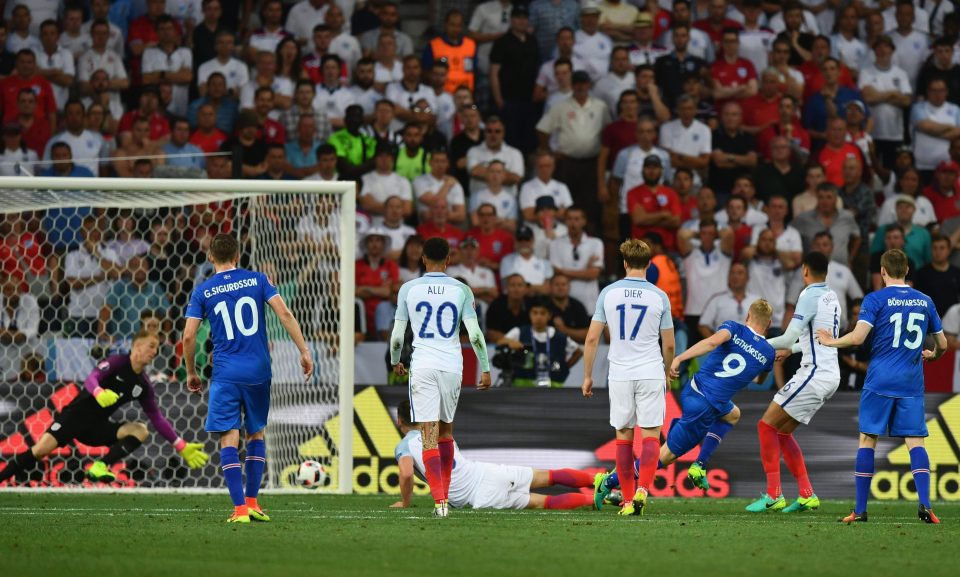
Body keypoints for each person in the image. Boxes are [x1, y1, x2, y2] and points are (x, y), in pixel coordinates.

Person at [183, 233, 313, 523]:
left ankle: (240, 509)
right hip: (258, 371)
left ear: (211, 257)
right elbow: (285, 313)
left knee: (229, 436)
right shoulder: (258, 280)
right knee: (256, 433)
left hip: (226, 374)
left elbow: (189, 335)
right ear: (238, 256)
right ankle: (254, 502)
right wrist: (304, 351)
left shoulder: (203, 291)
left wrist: (191, 371)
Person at [595, 299, 775, 505]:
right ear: (769, 325)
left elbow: (711, 343)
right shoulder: (768, 353)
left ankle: (699, 463)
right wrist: (762, 362)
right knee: (665, 456)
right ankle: (608, 482)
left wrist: (680, 358)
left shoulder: (734, 328)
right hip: (706, 406)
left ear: (747, 317)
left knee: (733, 414)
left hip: (695, 389)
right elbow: (759, 380)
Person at [818, 249, 948, 525]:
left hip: (879, 379)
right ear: (907, 271)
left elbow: (858, 337)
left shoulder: (875, 299)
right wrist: (932, 355)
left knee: (868, 440)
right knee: (916, 442)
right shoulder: (925, 301)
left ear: (883, 272)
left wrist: (831, 342)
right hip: (911, 383)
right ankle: (925, 506)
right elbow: (943, 345)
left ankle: (861, 510)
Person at [0, 330, 208, 485]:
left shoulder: (143, 385)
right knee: (40, 450)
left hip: (97, 428)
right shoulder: (117, 362)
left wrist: (180, 444)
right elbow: (92, 378)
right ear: (137, 346)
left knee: (140, 430)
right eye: (151, 346)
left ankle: (101, 465)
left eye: (157, 347)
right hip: (74, 417)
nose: (155, 351)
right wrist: (98, 392)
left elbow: (157, 418)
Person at [389, 237, 492, 518]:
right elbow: (475, 335)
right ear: (449, 260)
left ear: (422, 259)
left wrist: (396, 360)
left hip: (422, 365)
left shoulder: (408, 288)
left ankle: (440, 503)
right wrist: (485, 367)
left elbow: (398, 335)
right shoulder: (461, 289)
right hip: (451, 366)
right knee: (446, 432)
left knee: (428, 437)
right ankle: (444, 496)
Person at [582, 238, 674, 516]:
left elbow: (591, 339)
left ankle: (626, 499)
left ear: (624, 263)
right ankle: (643, 490)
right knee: (650, 435)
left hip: (620, 373)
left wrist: (587, 376)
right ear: (648, 264)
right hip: (650, 371)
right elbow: (668, 344)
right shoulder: (659, 296)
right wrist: (667, 371)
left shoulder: (608, 293)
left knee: (623, 436)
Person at [752, 251, 841, 513]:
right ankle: (806, 494)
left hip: (814, 373)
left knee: (765, 425)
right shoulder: (831, 296)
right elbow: (818, 337)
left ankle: (773, 495)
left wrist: (756, 344)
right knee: (781, 432)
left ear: (804, 271)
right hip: (829, 372)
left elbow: (789, 334)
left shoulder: (808, 294)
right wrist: (791, 349)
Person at [392, 400, 594, 510]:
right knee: (551, 476)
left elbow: (407, 473)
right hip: (488, 471)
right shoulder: (438, 431)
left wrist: (405, 502)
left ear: (399, 421)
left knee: (544, 502)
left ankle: (595, 499)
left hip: (479, 496)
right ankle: (605, 481)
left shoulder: (404, 446)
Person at [497, 297, 582, 388]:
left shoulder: (560, 337)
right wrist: (510, 342)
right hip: (522, 388)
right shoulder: (519, 332)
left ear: (549, 315)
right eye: (535, 313)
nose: (538, 317)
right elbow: (500, 342)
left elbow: (578, 352)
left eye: (542, 313)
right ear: (530, 314)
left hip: (554, 388)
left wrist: (564, 368)